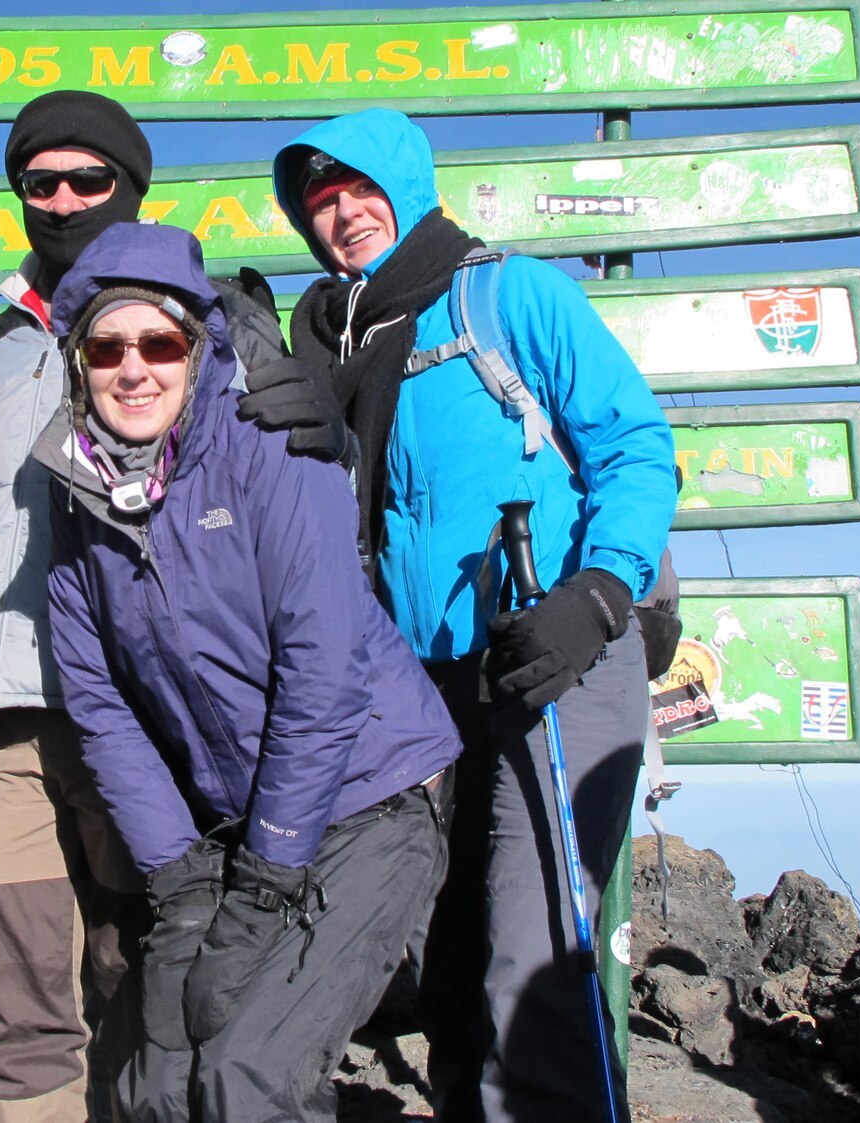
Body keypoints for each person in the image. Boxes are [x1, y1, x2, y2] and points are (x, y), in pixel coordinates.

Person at [271, 108, 678, 1123]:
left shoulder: (507, 296)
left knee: (533, 949)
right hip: (422, 690)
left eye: (357, 186)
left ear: (405, 183)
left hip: (557, 658)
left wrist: (596, 593)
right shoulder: (331, 343)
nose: (340, 212)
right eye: (317, 198)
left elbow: (632, 445)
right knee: (447, 961)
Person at [39, 221, 461, 1122]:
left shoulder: (269, 444)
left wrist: (267, 877)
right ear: (79, 361)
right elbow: (99, 697)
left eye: (159, 342)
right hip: (230, 827)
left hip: (372, 793)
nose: (133, 368)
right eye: (107, 346)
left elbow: (325, 671)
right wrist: (181, 878)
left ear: (195, 350)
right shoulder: (73, 490)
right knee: (151, 1083)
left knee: (248, 1077)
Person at [0, 90, 299, 1122]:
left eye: (85, 179)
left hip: (157, 714)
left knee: (154, 972)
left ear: (130, 189)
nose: (58, 199)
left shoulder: (210, 326)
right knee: (7, 990)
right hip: (5, 716)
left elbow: (283, 489)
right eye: (36, 181)